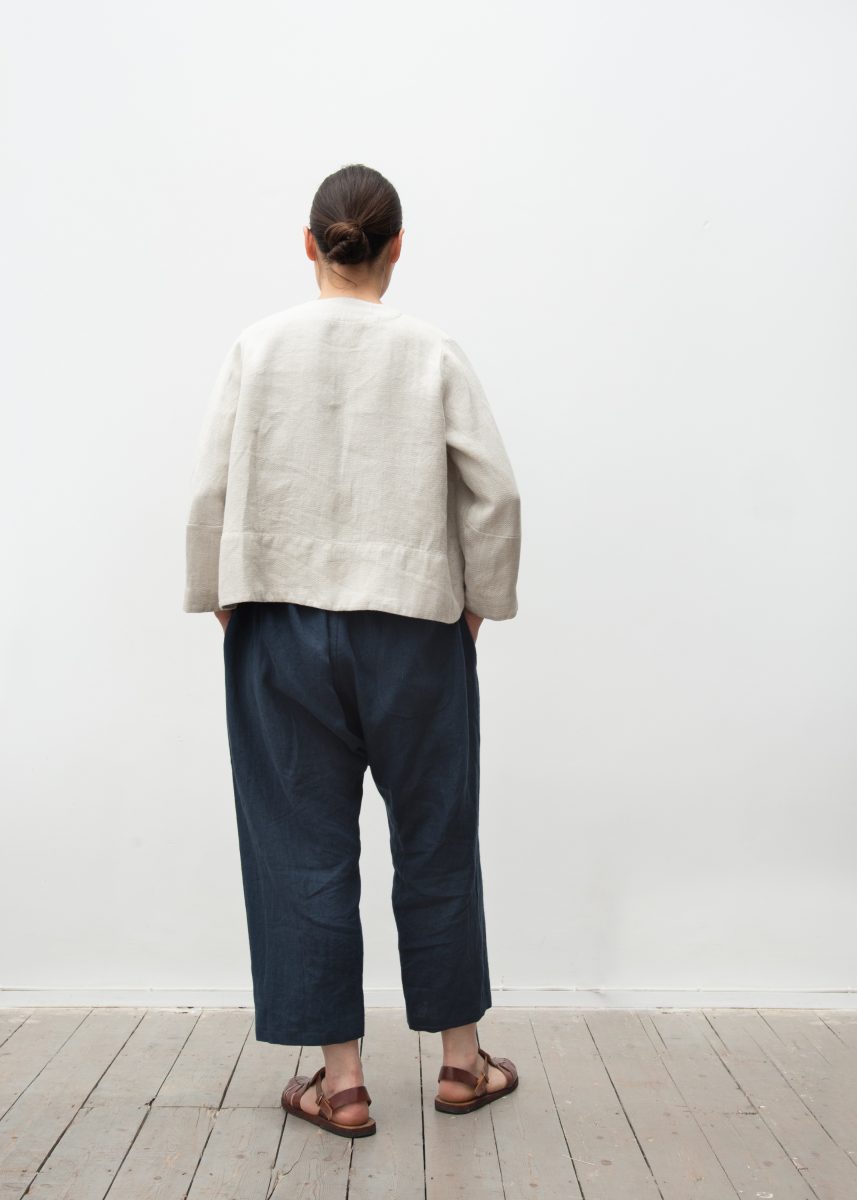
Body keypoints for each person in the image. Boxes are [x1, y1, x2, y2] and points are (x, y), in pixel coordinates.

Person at [183, 163, 522, 1137]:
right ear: (396, 248)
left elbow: (210, 489)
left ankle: (340, 1084)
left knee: (302, 849)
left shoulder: (258, 347)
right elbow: (494, 493)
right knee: (435, 840)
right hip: (414, 625)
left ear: (310, 244)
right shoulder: (430, 350)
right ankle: (459, 1065)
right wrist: (477, 605)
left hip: (279, 624)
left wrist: (223, 598)